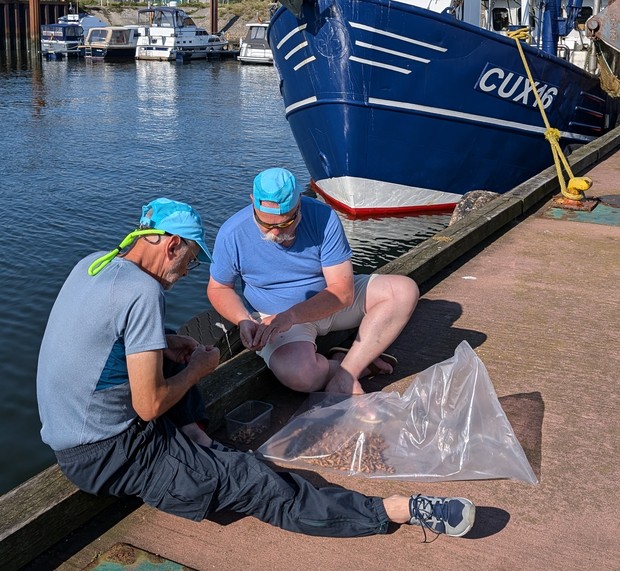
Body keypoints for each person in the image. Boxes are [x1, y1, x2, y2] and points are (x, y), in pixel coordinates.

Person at [36, 196, 475, 538]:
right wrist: (198, 373)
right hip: (110, 453)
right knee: (255, 481)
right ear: (171, 245)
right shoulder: (144, 294)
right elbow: (149, 406)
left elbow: (103, 338)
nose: (189, 272)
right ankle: (392, 511)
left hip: (83, 429)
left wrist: (169, 343)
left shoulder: (94, 265)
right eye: (190, 262)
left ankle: (193, 437)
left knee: (182, 352)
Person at [208, 168, 420, 395]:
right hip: (274, 318)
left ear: (299, 201)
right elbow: (219, 287)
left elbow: (342, 292)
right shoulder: (232, 232)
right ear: (252, 201)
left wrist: (291, 316)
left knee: (403, 291)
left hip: (329, 301)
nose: (276, 232)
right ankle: (351, 364)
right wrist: (242, 319)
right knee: (300, 376)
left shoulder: (323, 216)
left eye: (285, 223)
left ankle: (347, 373)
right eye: (266, 224)